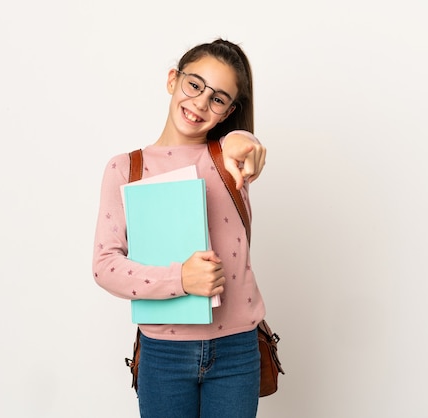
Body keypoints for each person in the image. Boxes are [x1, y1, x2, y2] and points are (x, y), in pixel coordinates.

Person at [93, 38, 267, 418]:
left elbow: (246, 145)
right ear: (173, 80)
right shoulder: (125, 168)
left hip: (237, 349)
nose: (201, 103)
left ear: (228, 112)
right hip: (164, 353)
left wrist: (245, 139)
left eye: (218, 99)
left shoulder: (231, 160)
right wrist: (182, 280)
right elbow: (104, 266)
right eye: (195, 85)